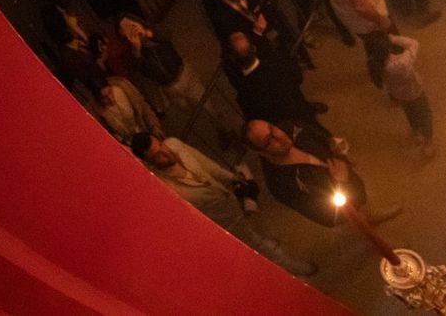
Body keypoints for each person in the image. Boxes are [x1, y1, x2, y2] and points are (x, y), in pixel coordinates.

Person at [131, 132, 317, 277]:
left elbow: (207, 164)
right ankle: (289, 265)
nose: (166, 152)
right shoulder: (164, 185)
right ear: (150, 162)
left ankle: (260, 244)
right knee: (254, 243)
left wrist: (232, 178)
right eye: (157, 155)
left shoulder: (174, 144)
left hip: (227, 200)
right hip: (218, 220)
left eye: (161, 145)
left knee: (250, 234)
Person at [245, 120, 402, 228]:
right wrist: (341, 183)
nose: (279, 135)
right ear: (261, 153)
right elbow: (319, 212)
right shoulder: (279, 183)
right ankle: (377, 239)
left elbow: (319, 135)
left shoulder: (291, 128)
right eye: (268, 140)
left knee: (362, 201)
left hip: (351, 182)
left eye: (272, 128)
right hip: (343, 208)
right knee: (360, 223)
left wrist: (340, 152)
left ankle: (369, 215)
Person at [223, 31, 325, 129]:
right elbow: (298, 78)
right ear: (254, 48)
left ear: (233, 59)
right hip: (301, 110)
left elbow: (257, 120)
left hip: (282, 128)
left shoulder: (244, 94)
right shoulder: (279, 62)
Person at [378, 30, 435, 159]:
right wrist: (392, 38)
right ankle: (428, 142)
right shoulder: (401, 63)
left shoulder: (375, 65)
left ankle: (416, 132)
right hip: (414, 91)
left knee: (409, 111)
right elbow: (413, 44)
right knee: (425, 114)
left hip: (398, 94)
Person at [94, 75, 162, 144]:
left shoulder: (122, 88)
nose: (110, 99)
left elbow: (143, 106)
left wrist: (154, 125)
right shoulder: (99, 111)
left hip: (146, 131)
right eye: (104, 98)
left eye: (110, 92)